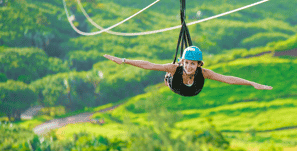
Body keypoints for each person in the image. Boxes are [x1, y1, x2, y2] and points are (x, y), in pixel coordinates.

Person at [103, 46, 272, 97]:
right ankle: (167, 79)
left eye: (193, 64)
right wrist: (124, 61)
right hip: (175, 84)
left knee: (214, 78)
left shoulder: (203, 73)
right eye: (187, 63)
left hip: (194, 89)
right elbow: (149, 65)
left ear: (199, 64)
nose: (190, 66)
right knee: (168, 72)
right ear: (182, 61)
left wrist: (251, 83)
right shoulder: (174, 68)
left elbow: (227, 78)